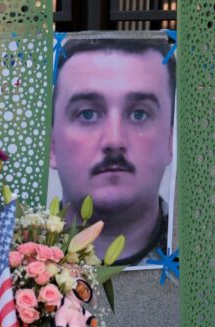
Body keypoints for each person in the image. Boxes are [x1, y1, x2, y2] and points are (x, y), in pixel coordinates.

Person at [51, 35, 175, 265]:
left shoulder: (207, 261)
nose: (114, 140)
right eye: (87, 114)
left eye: (139, 114)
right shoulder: (12, 258)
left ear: (170, 140)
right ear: (52, 146)